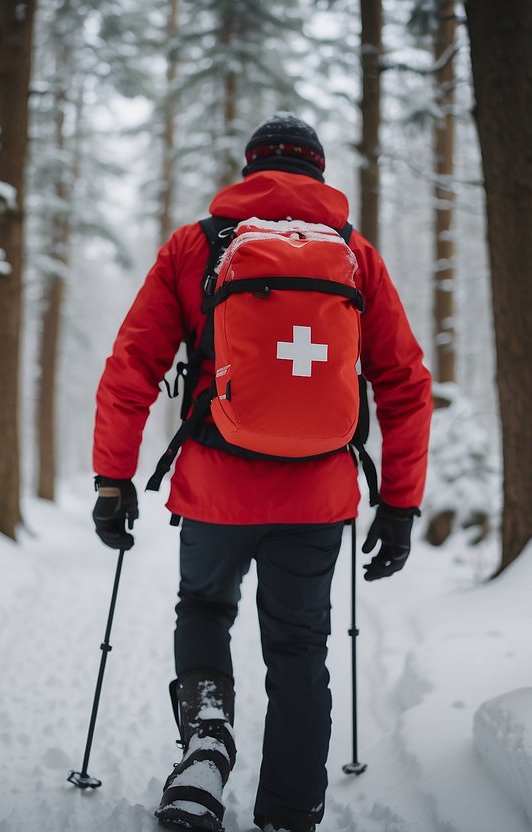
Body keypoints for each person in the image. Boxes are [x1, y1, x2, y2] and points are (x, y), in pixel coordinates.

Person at [91, 113, 432, 832]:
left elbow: (133, 368)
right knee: (301, 647)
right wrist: (398, 503)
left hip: (216, 487)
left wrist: (112, 478)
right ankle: (288, 814)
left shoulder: (195, 245)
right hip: (317, 496)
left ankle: (206, 745)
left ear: (249, 168)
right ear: (318, 171)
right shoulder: (353, 253)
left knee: (205, 611)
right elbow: (403, 380)